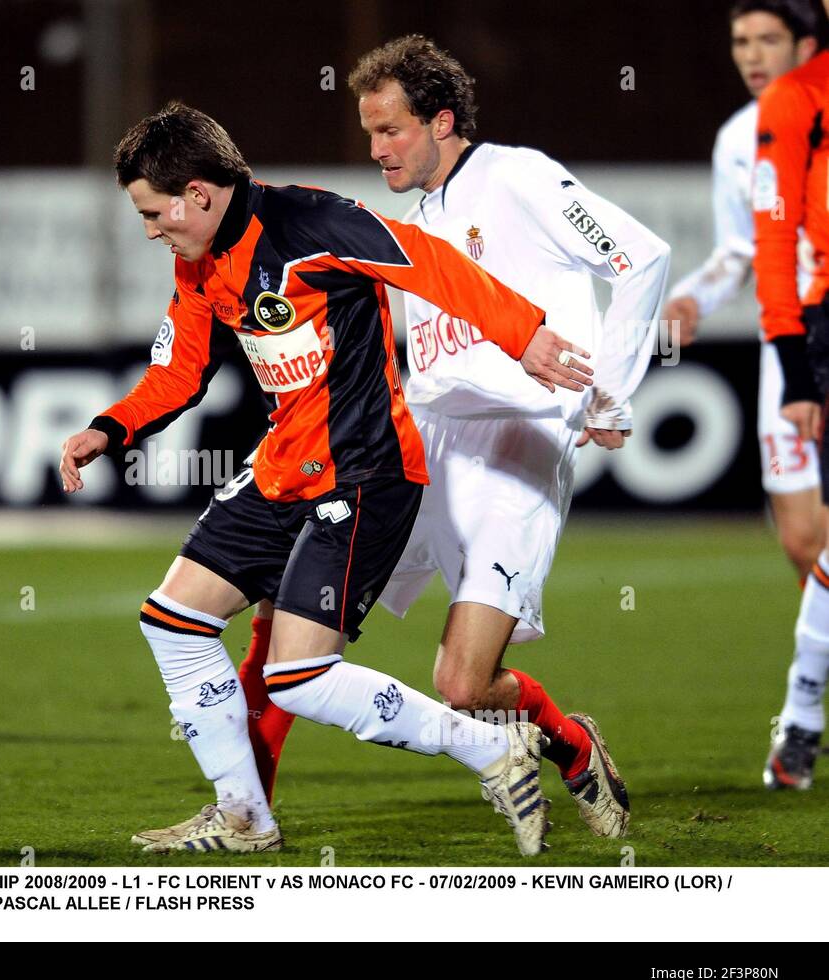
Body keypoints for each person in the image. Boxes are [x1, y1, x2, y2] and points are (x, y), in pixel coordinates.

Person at [61, 101, 594, 854]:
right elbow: (182, 366)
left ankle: (492, 748)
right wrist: (110, 427)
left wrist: (524, 332)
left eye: (155, 212)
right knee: (172, 620)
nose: (152, 229)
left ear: (200, 195)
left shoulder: (313, 224)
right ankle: (245, 815)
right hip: (282, 468)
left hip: (365, 474)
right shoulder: (200, 262)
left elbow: (426, 260)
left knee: (300, 676)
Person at [186, 35, 672, 846]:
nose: (375, 149)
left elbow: (642, 256)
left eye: (391, 130)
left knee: (462, 682)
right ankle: (246, 814)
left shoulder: (518, 177)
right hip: (420, 447)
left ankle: (569, 738)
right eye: (369, 132)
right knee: (284, 615)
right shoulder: (417, 221)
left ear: (443, 120)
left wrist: (610, 386)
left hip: (514, 449)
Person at [665, 0, 821, 580]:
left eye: (767, 39)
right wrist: (693, 297)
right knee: (802, 540)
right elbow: (740, 250)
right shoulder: (736, 139)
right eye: (741, 41)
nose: (752, 55)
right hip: (786, 344)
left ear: (805, 48)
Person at [754, 0, 829, 789]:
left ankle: (801, 720)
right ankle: (803, 713)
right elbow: (773, 238)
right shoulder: (799, 96)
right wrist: (798, 364)